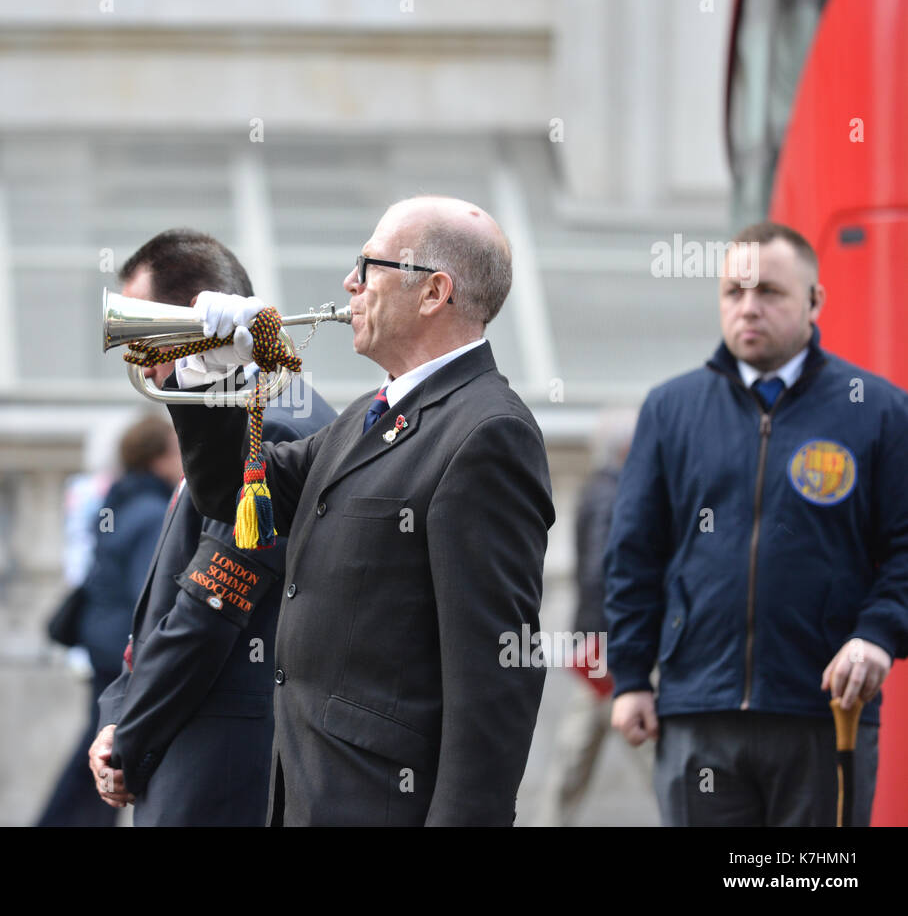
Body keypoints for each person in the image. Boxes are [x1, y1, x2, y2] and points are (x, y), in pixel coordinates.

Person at [156, 197, 555, 825]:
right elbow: (234, 496)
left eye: (369, 265)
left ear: (433, 293)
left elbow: (497, 677)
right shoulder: (365, 414)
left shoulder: (486, 431)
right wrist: (213, 380)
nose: (350, 283)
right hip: (311, 795)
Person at [605, 221, 908, 826]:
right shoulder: (671, 408)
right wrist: (632, 676)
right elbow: (635, 554)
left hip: (825, 714)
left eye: (769, 291)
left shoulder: (877, 410)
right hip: (698, 712)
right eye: (733, 292)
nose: (748, 307)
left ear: (814, 302)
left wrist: (877, 635)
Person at [87, 229, 336, 825]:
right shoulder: (232, 416)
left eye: (140, 330)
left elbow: (209, 609)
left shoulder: (268, 424)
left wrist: (127, 738)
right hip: (198, 754)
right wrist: (113, 715)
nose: (131, 352)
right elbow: (160, 616)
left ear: (194, 320)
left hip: (219, 768)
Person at [37, 415, 179, 826]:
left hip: (100, 640)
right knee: (107, 754)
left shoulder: (120, 498)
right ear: (157, 458)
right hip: (121, 647)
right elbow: (150, 594)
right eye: (174, 449)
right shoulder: (154, 511)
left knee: (100, 747)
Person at [535, 408, 647, 826]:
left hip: (600, 642)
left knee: (580, 746)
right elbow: (605, 569)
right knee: (649, 741)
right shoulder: (617, 495)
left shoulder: (598, 490)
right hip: (613, 644)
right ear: (629, 449)